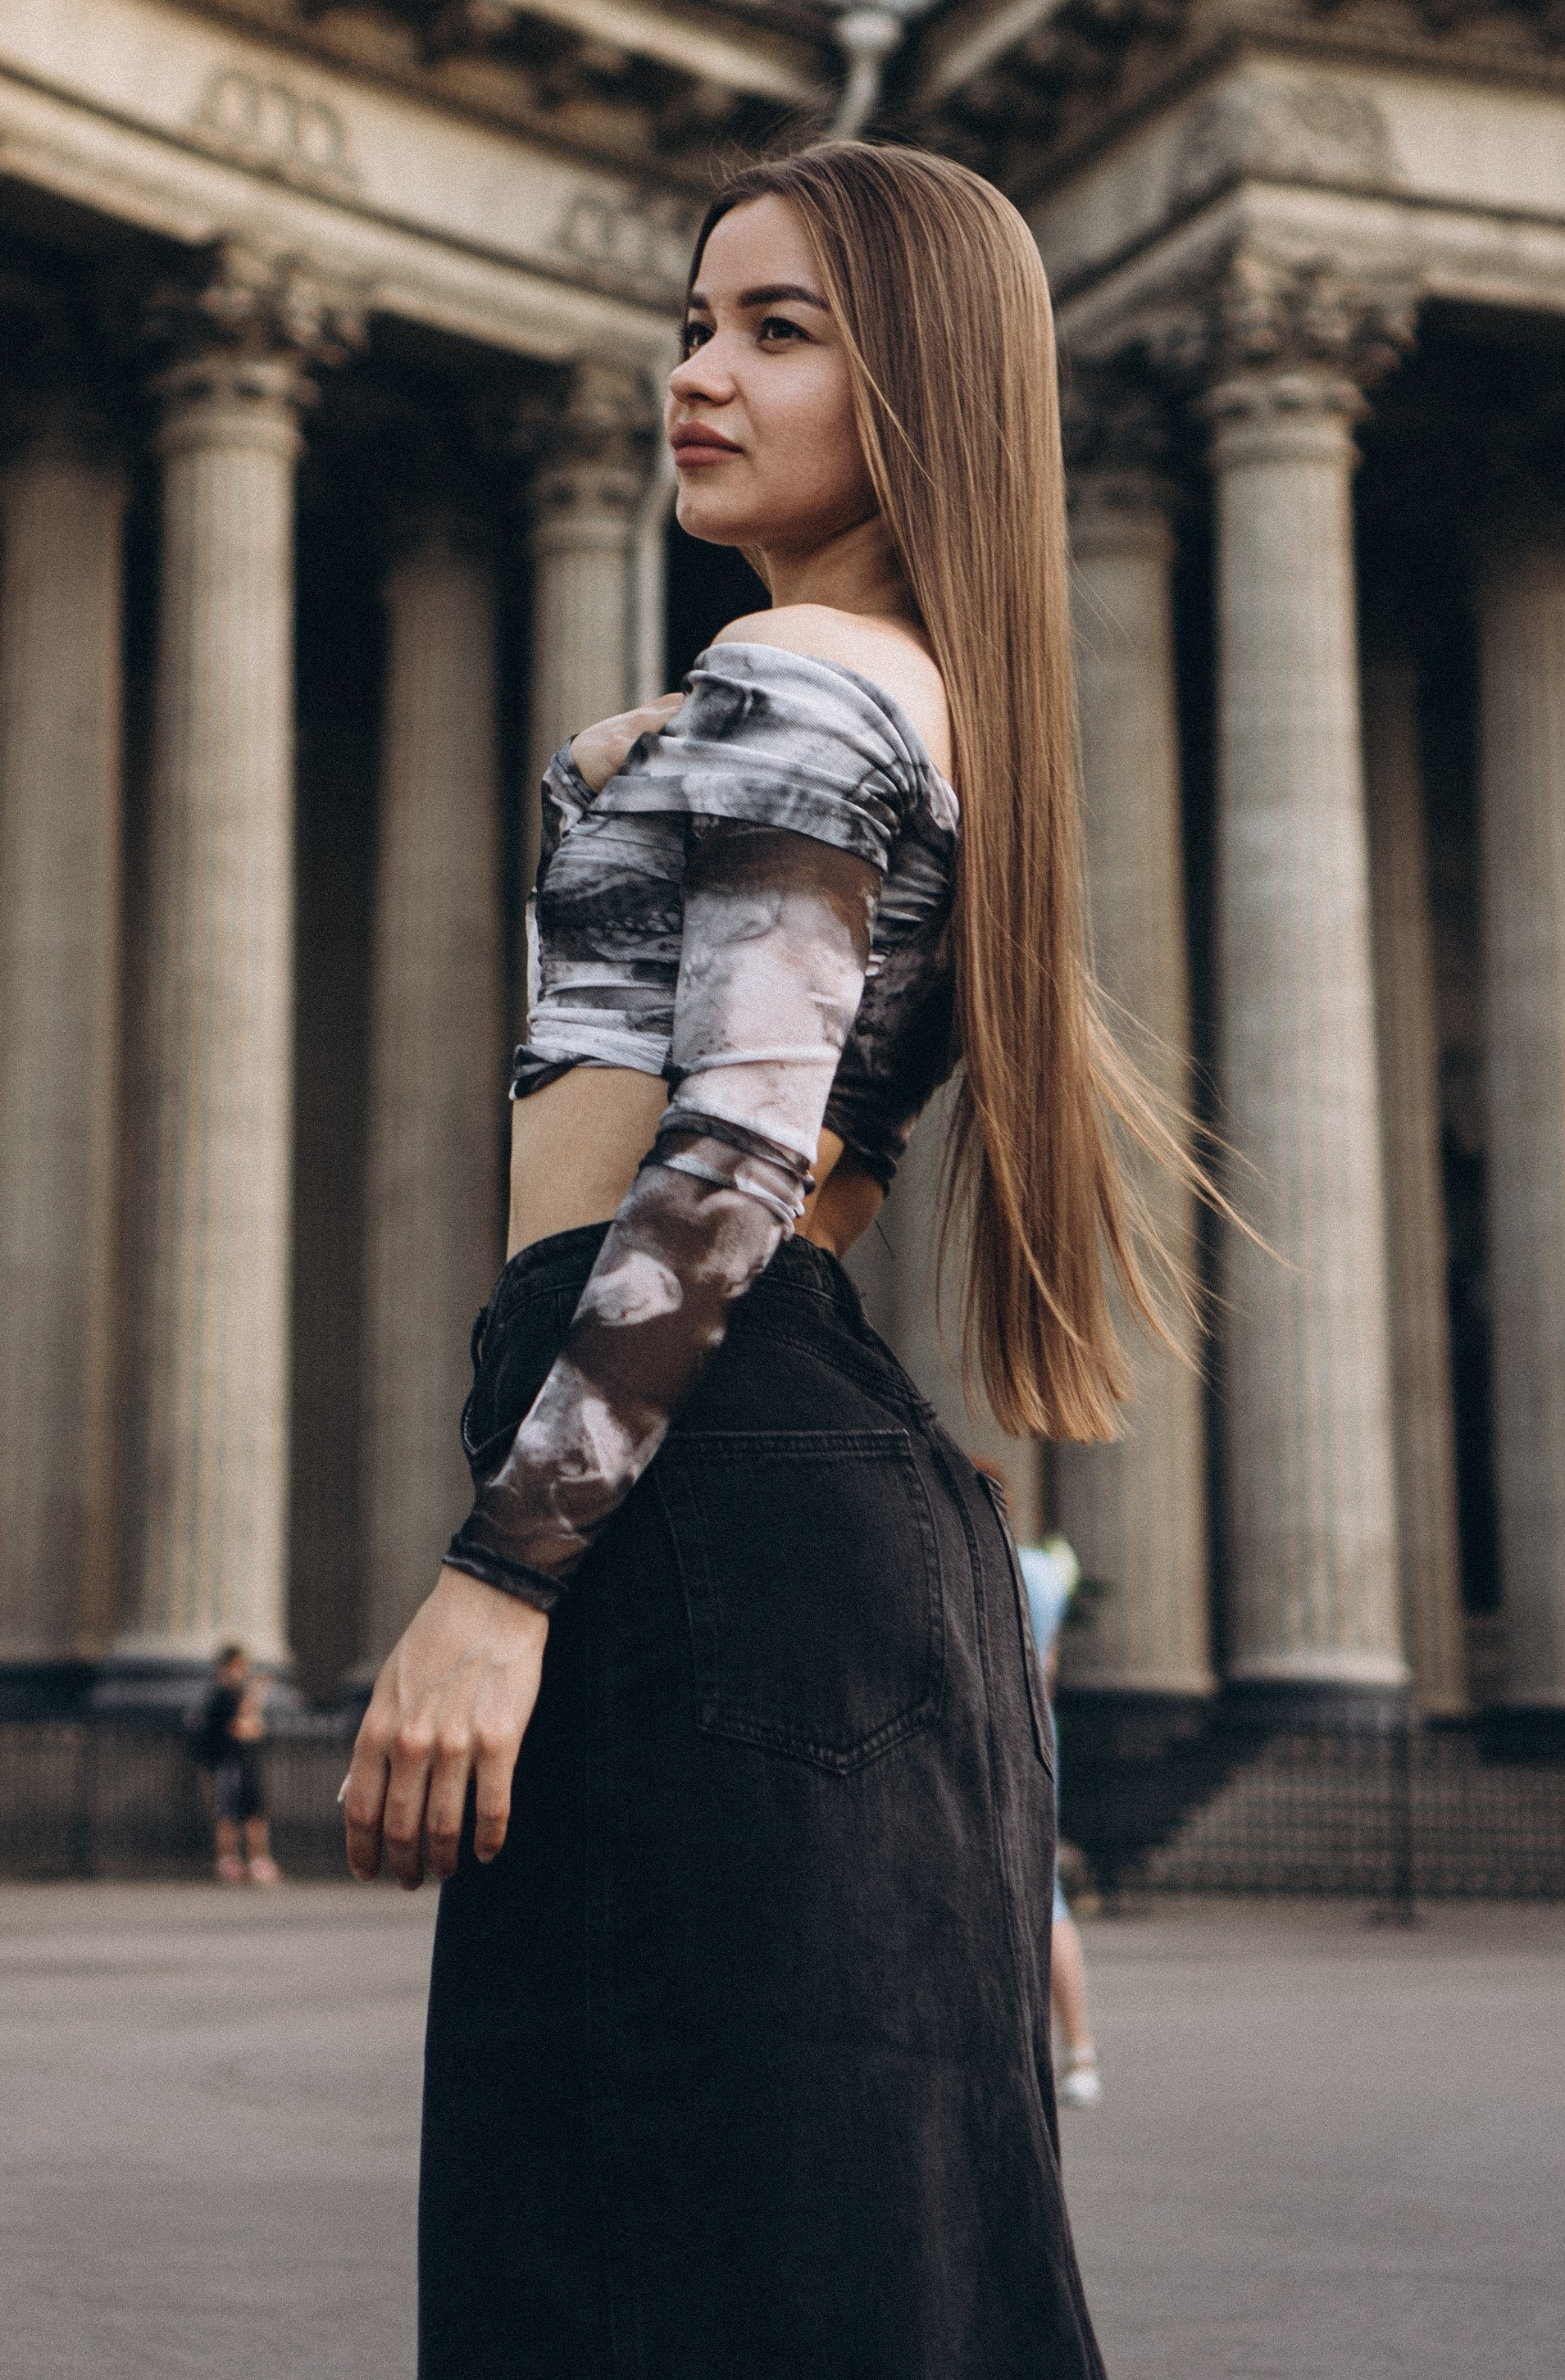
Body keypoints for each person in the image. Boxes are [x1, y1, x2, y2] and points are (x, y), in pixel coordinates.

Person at [342, 142, 1205, 2378]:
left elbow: (728, 1155)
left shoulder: (800, 668)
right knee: (826, 2271)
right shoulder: (904, 686)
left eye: (778, 330)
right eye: (696, 322)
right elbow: (822, 1144)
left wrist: (498, 1577)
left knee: (640, 2263)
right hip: (793, 1503)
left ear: (915, 379)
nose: (697, 374)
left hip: (693, 1506)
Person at [1016, 1520, 1104, 2110]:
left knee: (1032, 1898)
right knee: (1047, 1898)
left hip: (1004, 1730)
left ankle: (1041, 2057)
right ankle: (1080, 2054)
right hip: (1039, 1729)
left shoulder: (1005, 1561)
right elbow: (1048, 1664)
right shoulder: (1046, 1570)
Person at [198, 1645, 281, 1887]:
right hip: (230, 1761)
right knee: (229, 1813)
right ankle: (229, 1860)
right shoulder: (223, 1694)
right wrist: (257, 1693)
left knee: (254, 1811)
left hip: (246, 1761)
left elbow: (255, 1728)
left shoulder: (231, 1692)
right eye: (239, 1666)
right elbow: (244, 1727)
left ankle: (257, 1860)